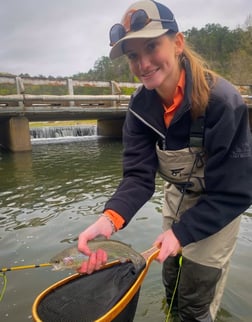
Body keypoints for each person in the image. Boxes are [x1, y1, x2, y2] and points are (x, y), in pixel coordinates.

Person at [78, 0, 252, 320]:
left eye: (152, 47)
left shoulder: (223, 103)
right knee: (171, 278)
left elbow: (237, 192)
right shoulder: (140, 108)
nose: (143, 63)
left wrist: (182, 234)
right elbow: (138, 176)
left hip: (220, 202)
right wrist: (109, 220)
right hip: (178, 197)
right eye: (133, 55)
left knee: (195, 296)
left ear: (178, 43)